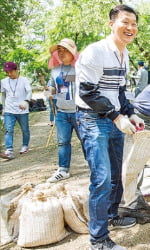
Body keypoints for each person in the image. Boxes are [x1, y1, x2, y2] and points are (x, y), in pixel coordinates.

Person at [75, 4, 145, 250]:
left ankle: (112, 216)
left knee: (116, 175)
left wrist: (130, 113)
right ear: (111, 24)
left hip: (114, 118)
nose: (130, 28)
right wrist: (117, 117)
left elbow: (118, 91)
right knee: (102, 179)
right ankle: (98, 240)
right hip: (92, 119)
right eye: (125, 22)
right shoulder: (95, 52)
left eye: (134, 23)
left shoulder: (123, 55)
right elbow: (87, 92)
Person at [43, 38, 84, 183]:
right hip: (61, 113)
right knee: (62, 142)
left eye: (64, 50)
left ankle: (95, 167)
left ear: (73, 51)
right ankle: (63, 170)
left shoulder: (81, 67)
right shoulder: (55, 70)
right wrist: (49, 92)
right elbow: (52, 86)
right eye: (59, 50)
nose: (61, 53)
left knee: (86, 140)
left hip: (80, 112)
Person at [1, 62, 32, 160]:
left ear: (16, 70)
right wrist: (4, 107)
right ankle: (9, 150)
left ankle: (25, 145)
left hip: (22, 110)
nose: (9, 74)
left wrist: (26, 101)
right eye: (7, 72)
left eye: (11, 72)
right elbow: (3, 95)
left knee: (25, 130)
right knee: (8, 130)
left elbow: (29, 91)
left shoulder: (24, 80)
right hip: (9, 110)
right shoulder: (3, 81)